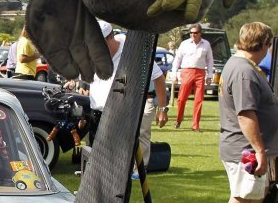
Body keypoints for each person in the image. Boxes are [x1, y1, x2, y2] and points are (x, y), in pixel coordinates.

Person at [214, 21, 278, 203]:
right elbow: (245, 114)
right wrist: (260, 150)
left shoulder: (241, 65)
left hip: (248, 147)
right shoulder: (243, 71)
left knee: (257, 192)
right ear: (264, 44)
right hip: (244, 149)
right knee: (241, 196)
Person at [89, 21, 168, 166]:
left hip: (121, 114)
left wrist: (162, 109)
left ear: (110, 37)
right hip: (97, 114)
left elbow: (158, 78)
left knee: (118, 164)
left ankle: (136, 171)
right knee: (98, 164)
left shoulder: (133, 51)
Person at [170, 23, 214, 131]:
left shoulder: (206, 44)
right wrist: (174, 73)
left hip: (200, 72)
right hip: (187, 71)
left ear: (200, 33)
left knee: (199, 100)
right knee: (181, 98)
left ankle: (195, 125)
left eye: (195, 33)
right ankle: (178, 120)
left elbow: (210, 61)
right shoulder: (184, 44)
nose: (193, 35)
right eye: (191, 33)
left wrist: (209, 75)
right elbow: (177, 59)